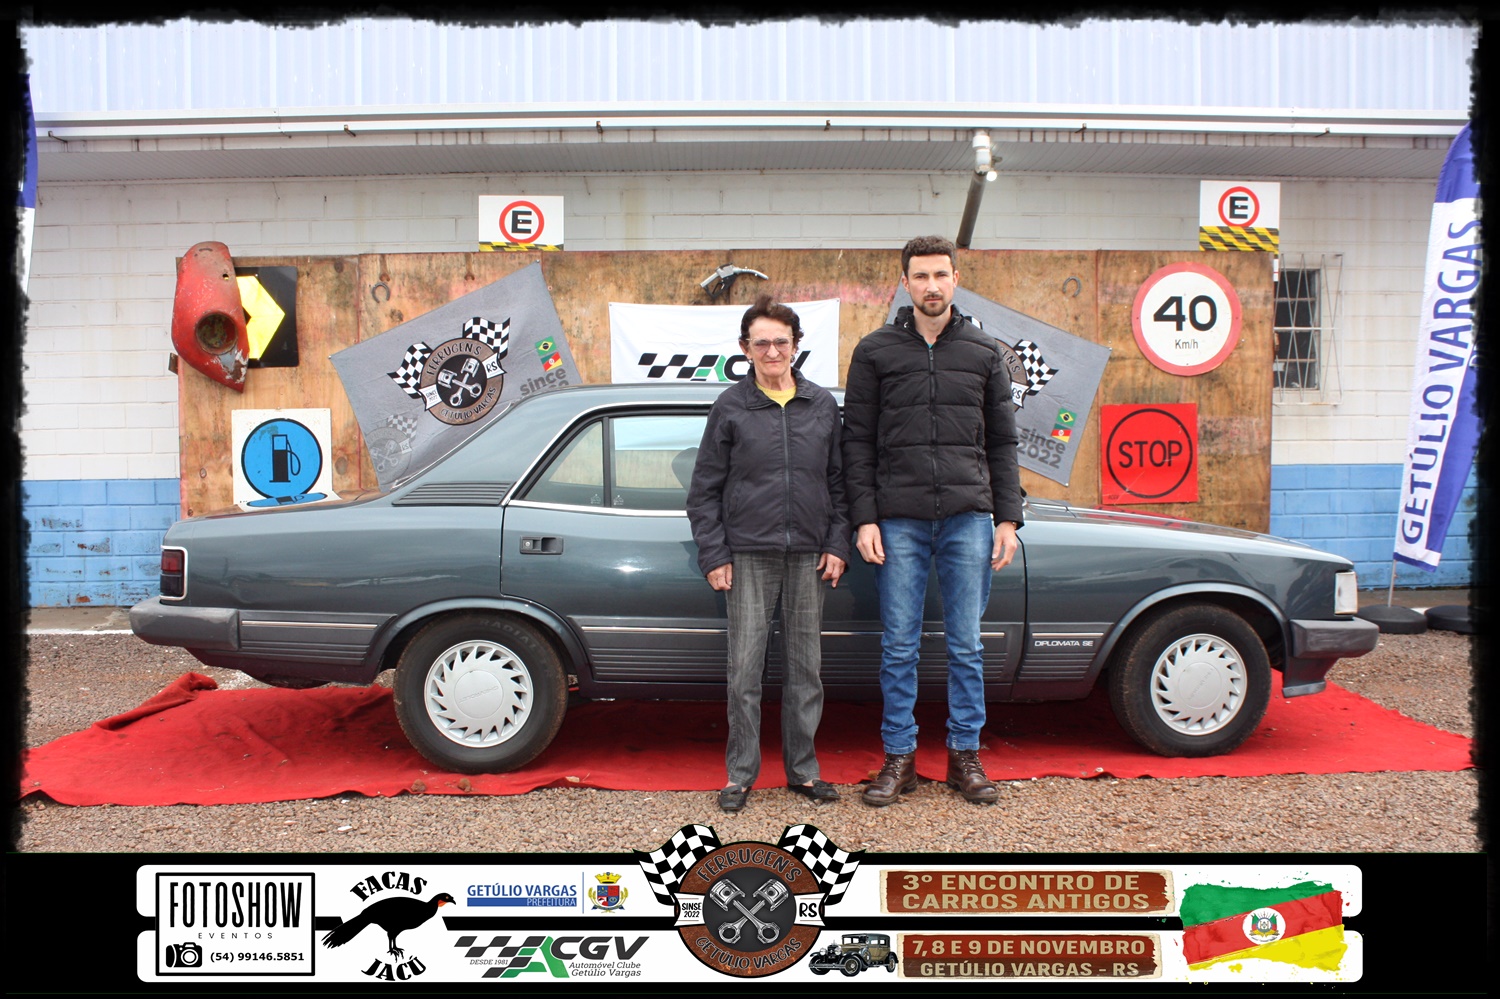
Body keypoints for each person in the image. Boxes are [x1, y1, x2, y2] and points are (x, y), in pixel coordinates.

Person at [842, 235, 1024, 807]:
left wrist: (1008, 518)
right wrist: (865, 518)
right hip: (898, 520)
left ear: (955, 279)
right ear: (905, 283)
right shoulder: (875, 351)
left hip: (969, 519)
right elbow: (856, 442)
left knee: (966, 646)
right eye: (920, 276)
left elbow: (1002, 441)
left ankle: (964, 755)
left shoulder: (984, 351)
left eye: (940, 275)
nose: (931, 286)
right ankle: (900, 758)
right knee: (899, 646)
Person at [686, 295, 851, 813]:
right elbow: (703, 491)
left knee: (806, 671)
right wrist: (715, 554)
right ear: (745, 348)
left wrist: (837, 543)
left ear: (796, 346)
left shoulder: (821, 405)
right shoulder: (731, 407)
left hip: (809, 556)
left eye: (782, 341)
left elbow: (840, 484)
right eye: (762, 343)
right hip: (747, 556)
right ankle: (740, 775)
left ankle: (804, 772)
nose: (772, 351)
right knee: (745, 672)